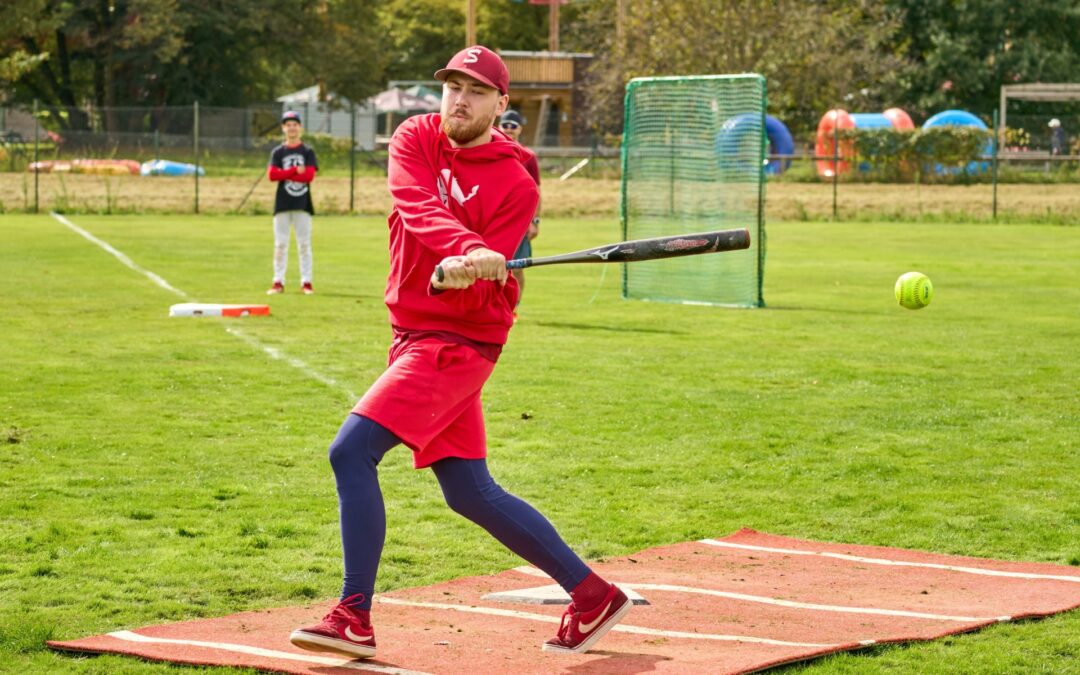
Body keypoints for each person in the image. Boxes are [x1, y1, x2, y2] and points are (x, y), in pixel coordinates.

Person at [289, 45, 630, 660]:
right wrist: (466, 247)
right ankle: (592, 595)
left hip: (459, 342)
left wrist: (484, 265)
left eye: (475, 90)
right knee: (469, 490)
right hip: (414, 331)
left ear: (501, 104)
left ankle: (353, 615)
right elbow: (415, 205)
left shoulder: (516, 184)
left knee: (350, 451)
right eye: (451, 86)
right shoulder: (415, 136)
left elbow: (482, 285)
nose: (459, 99)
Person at [266, 110, 318, 295]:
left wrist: (287, 173)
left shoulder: (307, 151)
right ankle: (278, 281)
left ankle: (307, 282)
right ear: (283, 128)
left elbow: (310, 175)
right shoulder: (278, 152)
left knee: (304, 244)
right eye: (288, 125)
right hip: (282, 203)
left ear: (300, 127)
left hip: (302, 203)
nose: (292, 128)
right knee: (280, 244)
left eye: (295, 124)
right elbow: (272, 175)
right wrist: (296, 170)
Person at [498, 109, 541, 311]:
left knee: (518, 268)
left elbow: (536, 191)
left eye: (513, 126)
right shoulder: (491, 150)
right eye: (505, 125)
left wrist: (535, 221)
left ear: (520, 129)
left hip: (521, 220)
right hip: (495, 219)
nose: (508, 129)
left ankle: (513, 307)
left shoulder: (527, 156)